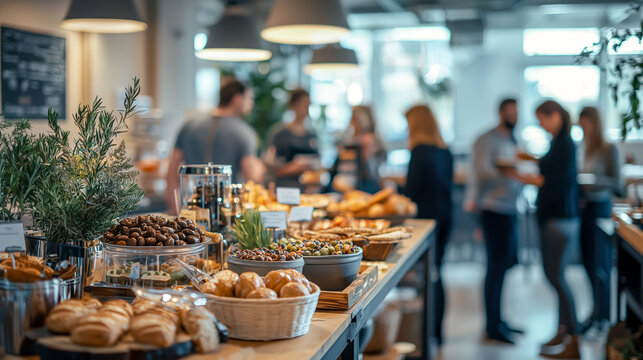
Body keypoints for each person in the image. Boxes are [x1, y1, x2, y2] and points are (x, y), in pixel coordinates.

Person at [513, 100, 580, 359]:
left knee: (556, 278)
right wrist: (531, 160)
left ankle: (573, 339)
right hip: (558, 218)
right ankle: (563, 332)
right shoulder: (560, 141)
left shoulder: (564, 143)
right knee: (557, 277)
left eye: (542, 118)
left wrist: (520, 176)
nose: (540, 124)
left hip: (558, 219)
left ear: (555, 116)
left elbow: (552, 181)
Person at [466, 98, 524, 344]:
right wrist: (506, 171)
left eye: (516, 113)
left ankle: (499, 319)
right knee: (495, 268)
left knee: (505, 266)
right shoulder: (487, 139)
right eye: (510, 113)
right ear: (501, 113)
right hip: (493, 210)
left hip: (510, 209)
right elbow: (480, 172)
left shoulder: (512, 139)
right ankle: (492, 327)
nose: (514, 117)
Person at [165, 79, 265, 214]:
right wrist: (263, 168)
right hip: (225, 211)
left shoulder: (189, 125)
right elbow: (252, 177)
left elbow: (171, 174)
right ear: (237, 99)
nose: (251, 104)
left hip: (192, 207)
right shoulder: (244, 132)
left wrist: (177, 213)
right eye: (249, 99)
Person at [403, 105, 453, 346]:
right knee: (436, 274)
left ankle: (424, 334)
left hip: (424, 222)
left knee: (426, 276)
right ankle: (436, 332)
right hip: (444, 219)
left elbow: (411, 192)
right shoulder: (445, 151)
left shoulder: (419, 151)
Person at [577, 106, 621, 332]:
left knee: (600, 263)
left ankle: (603, 316)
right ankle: (595, 311)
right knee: (587, 261)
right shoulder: (583, 147)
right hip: (586, 207)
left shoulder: (608, 148)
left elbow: (618, 184)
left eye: (585, 121)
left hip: (601, 207)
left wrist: (596, 180)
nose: (582, 126)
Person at [270, 88, 319, 188]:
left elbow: (318, 163)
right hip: (286, 189)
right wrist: (294, 167)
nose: (306, 109)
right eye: (303, 104)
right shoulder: (280, 135)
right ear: (293, 105)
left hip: (309, 190)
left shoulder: (312, 135)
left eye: (308, 105)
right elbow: (272, 168)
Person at [344, 106, 387, 193]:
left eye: (354, 119)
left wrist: (367, 154)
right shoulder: (351, 142)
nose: (351, 122)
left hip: (370, 189)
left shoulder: (374, 142)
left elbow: (375, 176)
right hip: (351, 189)